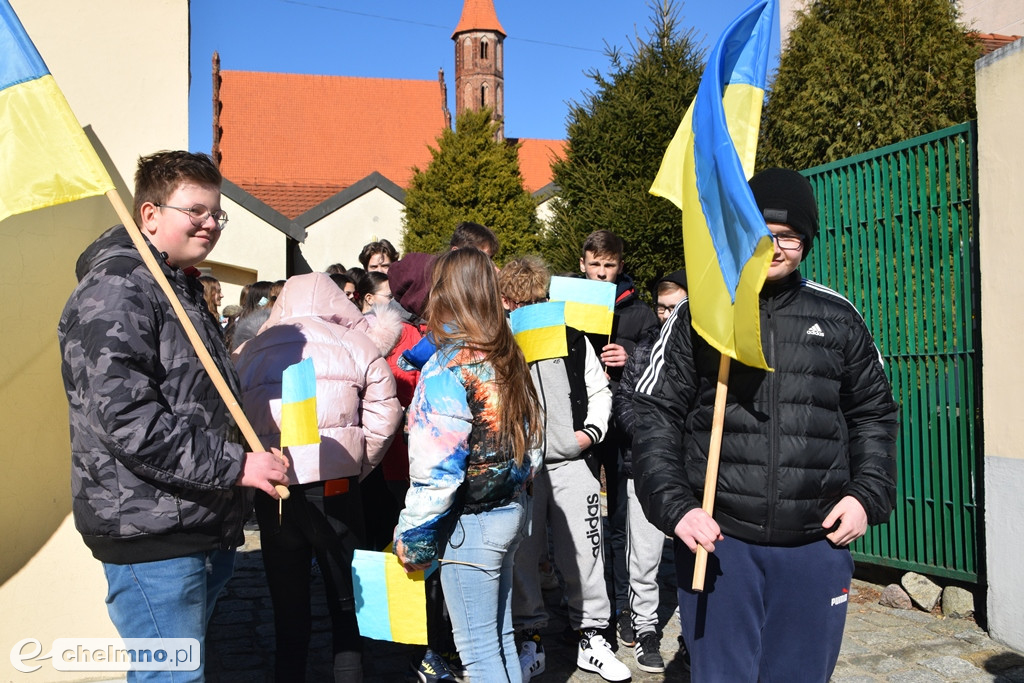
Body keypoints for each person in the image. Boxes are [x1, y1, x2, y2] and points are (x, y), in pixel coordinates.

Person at [632, 168, 899, 682]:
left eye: (788, 235)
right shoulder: (700, 316)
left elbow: (874, 414)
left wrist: (867, 495)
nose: (773, 246)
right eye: (760, 232)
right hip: (719, 543)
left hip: (815, 546)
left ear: (807, 240)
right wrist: (677, 508)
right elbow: (654, 416)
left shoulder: (839, 317)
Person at [57, 150, 289, 682]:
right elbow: (128, 421)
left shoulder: (175, 283)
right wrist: (236, 467)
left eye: (216, 214)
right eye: (196, 211)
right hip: (149, 528)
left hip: (191, 516)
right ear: (150, 215)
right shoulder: (119, 286)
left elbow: (195, 400)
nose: (210, 224)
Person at [233, 272, 403, 682]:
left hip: (273, 486)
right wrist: (360, 466)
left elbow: (233, 417)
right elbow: (386, 416)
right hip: (337, 483)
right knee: (346, 600)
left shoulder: (251, 351)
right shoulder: (357, 344)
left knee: (287, 604)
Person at [395, 248, 542, 683]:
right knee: (500, 637)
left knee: (478, 653)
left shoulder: (448, 367)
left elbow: (436, 468)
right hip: (510, 510)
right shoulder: (507, 352)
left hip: (470, 522)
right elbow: (533, 439)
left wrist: (415, 534)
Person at [499, 258, 629, 683]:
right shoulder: (498, 342)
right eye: (521, 302)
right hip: (524, 470)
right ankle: (529, 637)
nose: (530, 308)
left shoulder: (573, 338)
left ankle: (592, 636)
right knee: (523, 556)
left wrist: (589, 434)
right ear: (505, 302)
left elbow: (598, 387)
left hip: (574, 462)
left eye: (537, 300)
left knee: (585, 553)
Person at [579, 229, 659, 646]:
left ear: (620, 267)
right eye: (595, 265)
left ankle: (628, 608)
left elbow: (656, 363)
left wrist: (628, 353)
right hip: (584, 423)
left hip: (623, 423)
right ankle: (593, 609)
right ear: (583, 265)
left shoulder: (641, 313)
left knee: (623, 520)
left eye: (609, 266)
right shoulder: (567, 306)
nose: (602, 273)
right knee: (586, 516)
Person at [611, 268, 688, 673]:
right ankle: (644, 628)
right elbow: (625, 400)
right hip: (644, 464)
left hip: (690, 469)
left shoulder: (705, 351)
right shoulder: (645, 347)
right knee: (643, 555)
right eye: (660, 307)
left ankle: (693, 634)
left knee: (694, 555)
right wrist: (650, 435)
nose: (665, 315)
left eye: (674, 307)